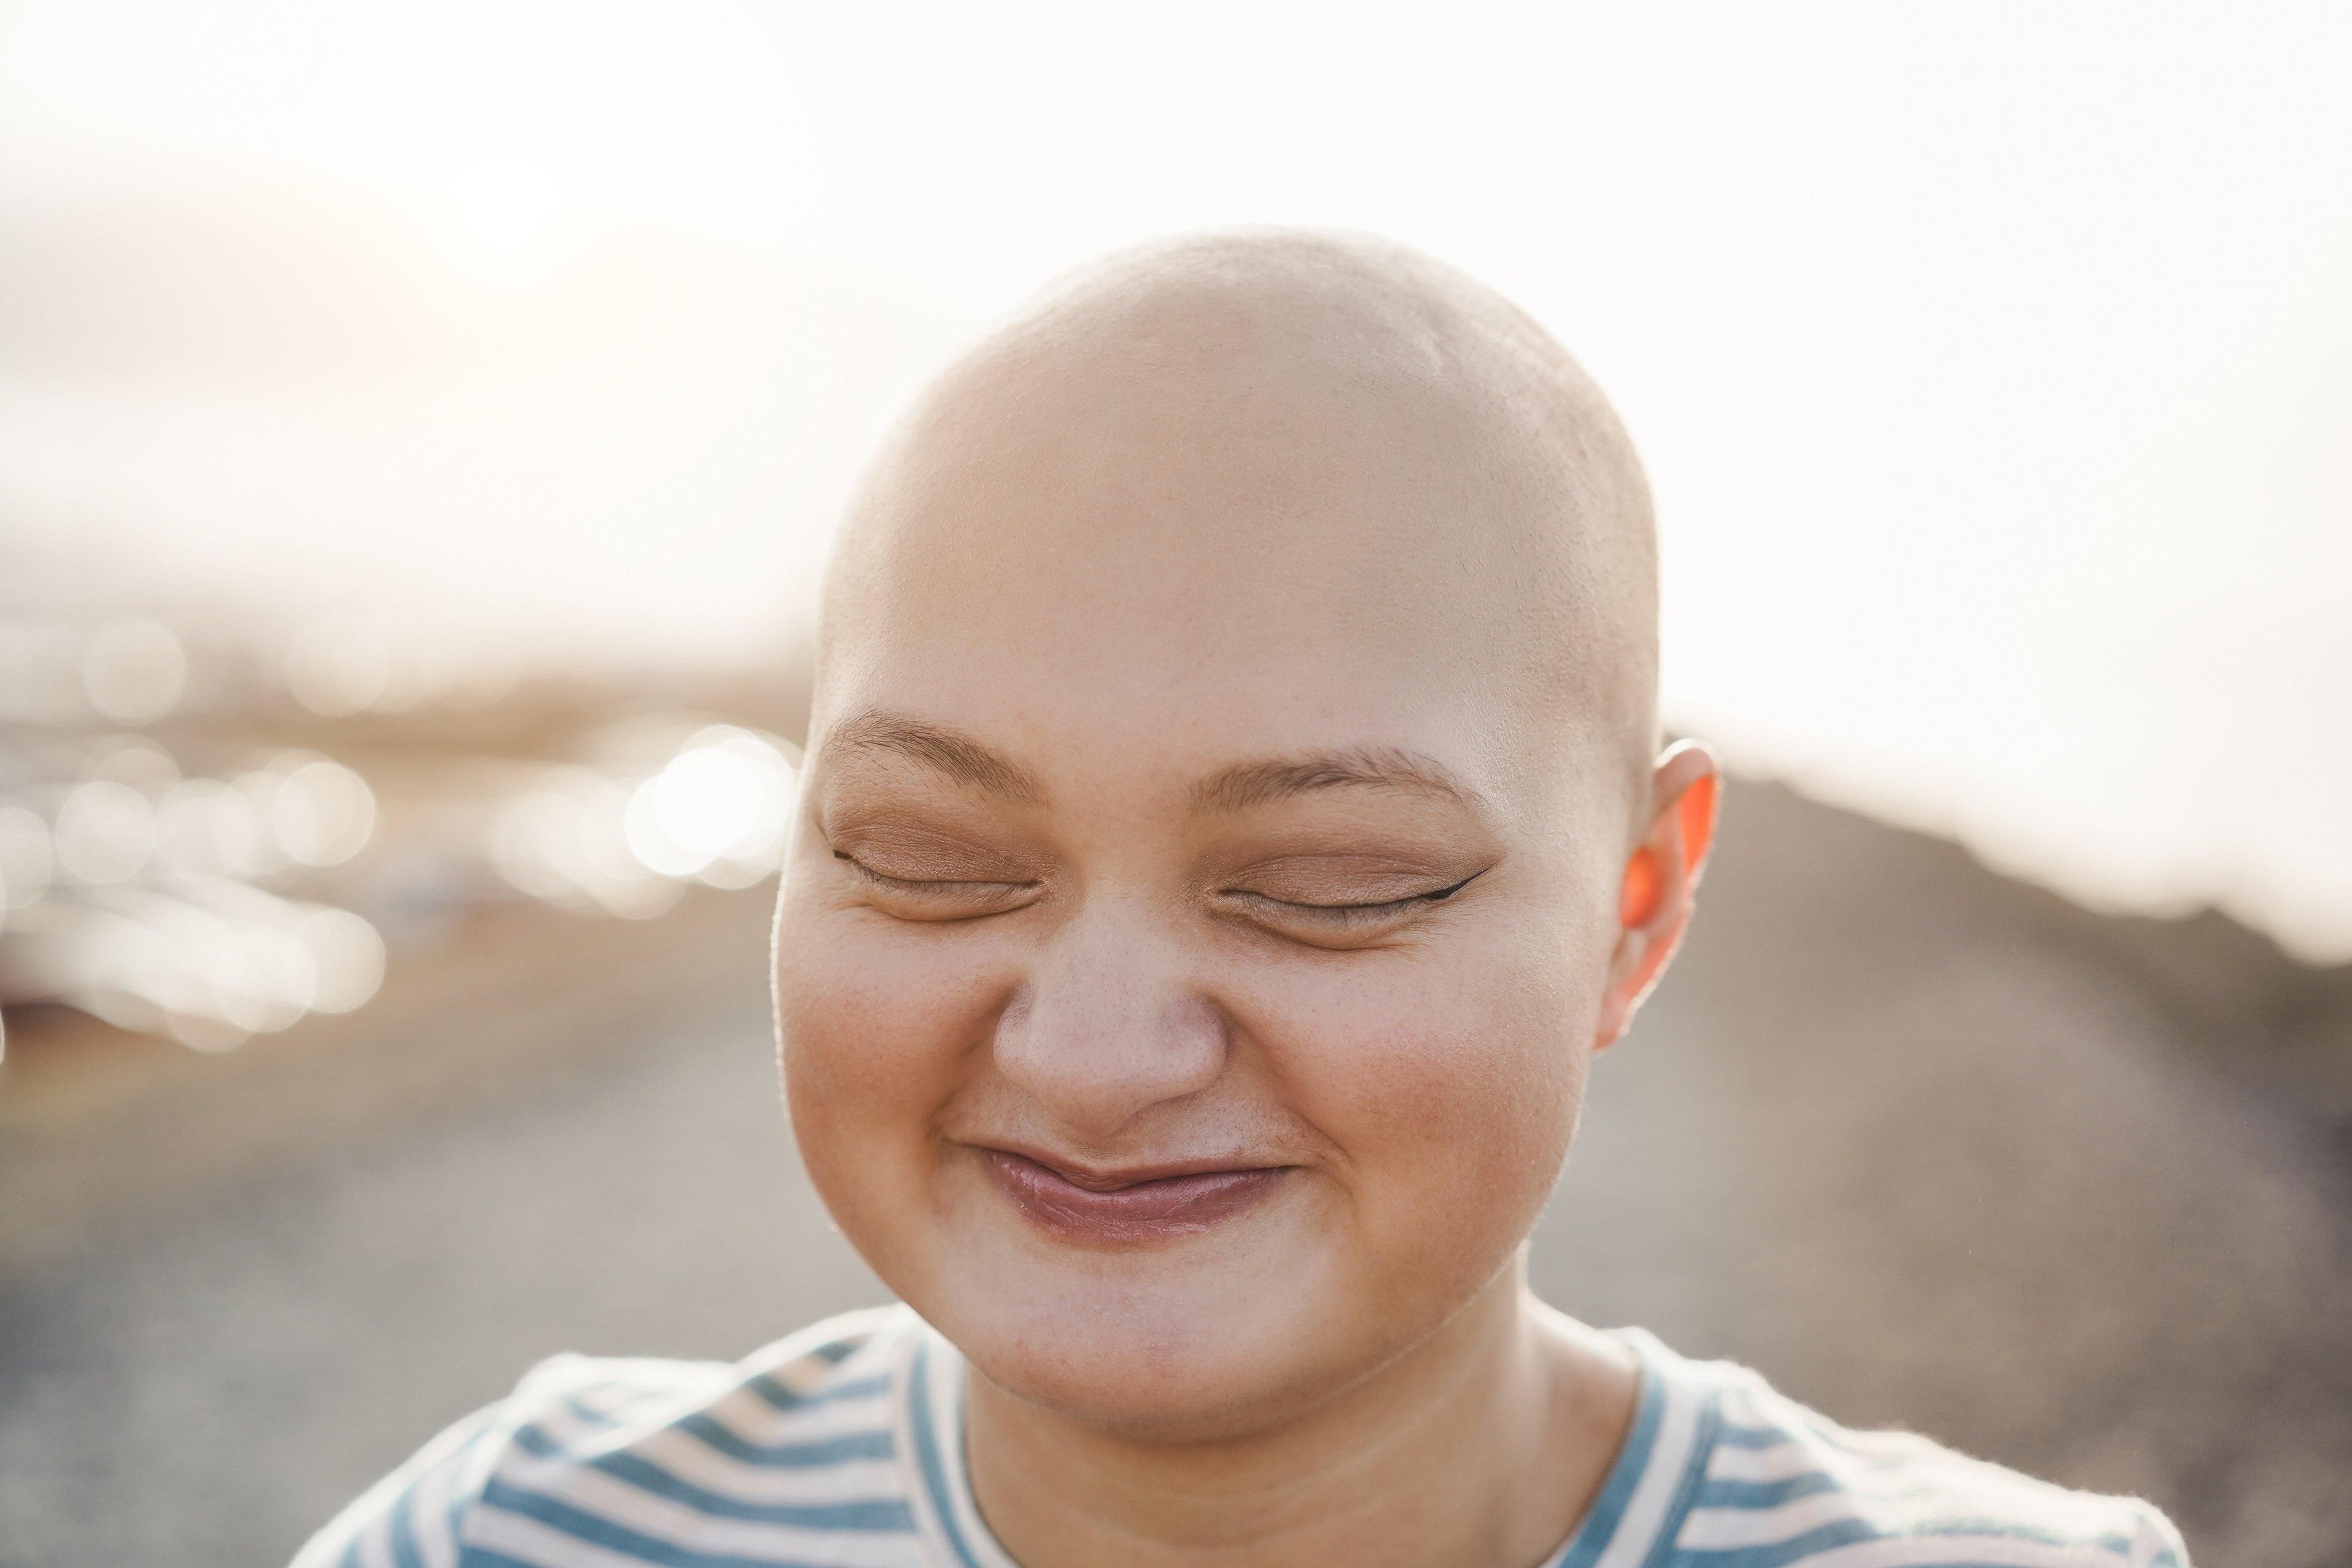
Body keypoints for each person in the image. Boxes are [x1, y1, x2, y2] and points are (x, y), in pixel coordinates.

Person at [293, 230, 2188, 1568]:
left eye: (1327, 886)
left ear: (1635, 909)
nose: (1099, 1054)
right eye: (929, 857)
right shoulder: (520, 1539)